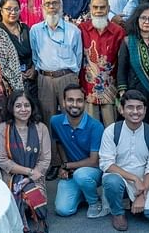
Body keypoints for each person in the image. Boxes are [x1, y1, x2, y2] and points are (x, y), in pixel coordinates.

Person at [30, 0, 82, 173]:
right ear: (42, 7)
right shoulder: (35, 31)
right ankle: (52, 162)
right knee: (48, 121)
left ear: (61, 5)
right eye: (47, 4)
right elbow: (35, 57)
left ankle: (72, 162)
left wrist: (71, 77)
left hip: (67, 77)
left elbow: (79, 57)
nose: (51, 7)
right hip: (45, 79)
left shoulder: (73, 31)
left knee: (71, 118)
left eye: (55, 3)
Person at [100, 89, 149, 230]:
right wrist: (134, 179)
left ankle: (134, 202)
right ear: (121, 109)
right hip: (119, 179)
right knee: (112, 181)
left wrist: (142, 194)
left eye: (139, 107)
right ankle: (117, 213)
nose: (135, 112)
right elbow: (107, 164)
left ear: (145, 110)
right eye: (130, 107)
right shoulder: (111, 131)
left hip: (144, 182)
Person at [0, 90, 51, 232]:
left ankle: (38, 218)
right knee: (12, 200)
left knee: (34, 196)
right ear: (11, 108)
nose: (23, 109)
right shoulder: (3, 129)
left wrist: (32, 176)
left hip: (36, 176)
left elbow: (45, 159)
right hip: (12, 177)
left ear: (32, 108)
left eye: (27, 105)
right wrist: (28, 172)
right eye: (18, 106)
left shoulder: (41, 128)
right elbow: (2, 160)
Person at [50, 83, 106, 218]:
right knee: (63, 210)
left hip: (93, 172)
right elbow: (59, 144)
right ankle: (82, 193)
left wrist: (66, 166)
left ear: (85, 102)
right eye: (70, 100)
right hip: (72, 171)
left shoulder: (96, 126)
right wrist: (65, 163)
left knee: (81, 175)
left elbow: (94, 161)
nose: (74, 104)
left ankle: (94, 202)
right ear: (63, 102)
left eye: (79, 100)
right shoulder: (55, 121)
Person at [79, 0, 126, 127]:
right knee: (90, 129)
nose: (99, 11)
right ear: (90, 8)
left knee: (111, 129)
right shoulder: (82, 29)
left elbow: (122, 62)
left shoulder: (118, 32)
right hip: (88, 89)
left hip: (110, 90)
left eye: (102, 7)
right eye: (95, 7)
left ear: (108, 8)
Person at [117, 3, 149, 127]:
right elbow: (121, 70)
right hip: (135, 94)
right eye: (143, 18)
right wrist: (123, 95)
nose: (147, 21)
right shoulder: (128, 42)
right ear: (137, 20)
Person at [0, 0, 37, 101]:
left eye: (16, 9)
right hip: (11, 84)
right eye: (9, 9)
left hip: (31, 81)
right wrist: (15, 74)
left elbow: (36, 52)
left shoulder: (25, 28)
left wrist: (34, 69)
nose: (13, 12)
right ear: (1, 10)